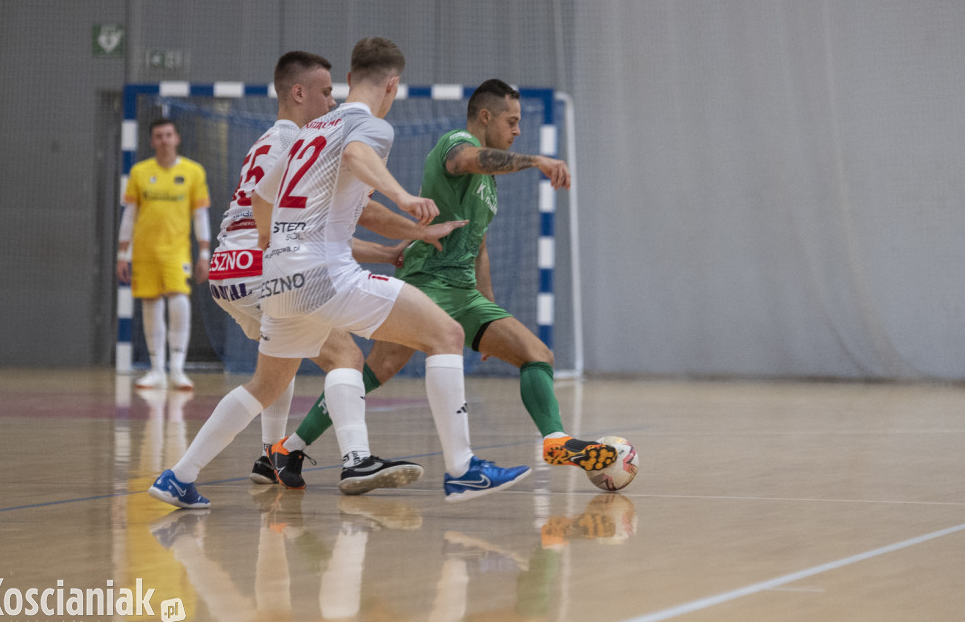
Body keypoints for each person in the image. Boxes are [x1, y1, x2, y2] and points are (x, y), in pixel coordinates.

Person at [149, 38, 529, 509]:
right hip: (325, 275)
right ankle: (462, 469)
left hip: (279, 278)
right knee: (447, 334)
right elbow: (355, 158)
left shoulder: (306, 130)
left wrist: (272, 245)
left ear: (350, 80)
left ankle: (179, 476)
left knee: (266, 385)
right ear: (392, 86)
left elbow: (263, 196)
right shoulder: (370, 127)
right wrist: (403, 198)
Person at [270, 79, 619, 488]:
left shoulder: (488, 186)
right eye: (512, 121)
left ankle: (556, 441)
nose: (518, 130)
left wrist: (490, 316)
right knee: (374, 370)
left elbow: (480, 248)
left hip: (465, 294)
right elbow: (469, 159)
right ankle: (287, 448)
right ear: (485, 117)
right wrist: (535, 161)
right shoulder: (456, 144)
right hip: (427, 284)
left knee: (537, 354)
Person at [207, 50, 467, 486]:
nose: (331, 102)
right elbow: (359, 210)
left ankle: (267, 457)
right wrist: (414, 221)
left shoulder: (267, 140)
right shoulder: (309, 139)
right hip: (264, 265)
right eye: (326, 92)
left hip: (228, 266)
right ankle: (357, 458)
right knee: (346, 354)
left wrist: (385, 253)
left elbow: (279, 211)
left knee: (276, 369)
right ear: (298, 92)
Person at [117, 118, 211, 390]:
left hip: (176, 252)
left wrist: (204, 253)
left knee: (179, 301)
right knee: (150, 305)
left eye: (169, 135)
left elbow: (200, 215)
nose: (164, 140)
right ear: (152, 141)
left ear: (177, 138)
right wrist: (122, 256)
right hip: (145, 252)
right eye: (158, 136)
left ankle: (177, 369)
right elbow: (129, 216)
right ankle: (156, 369)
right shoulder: (139, 172)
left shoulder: (193, 172)